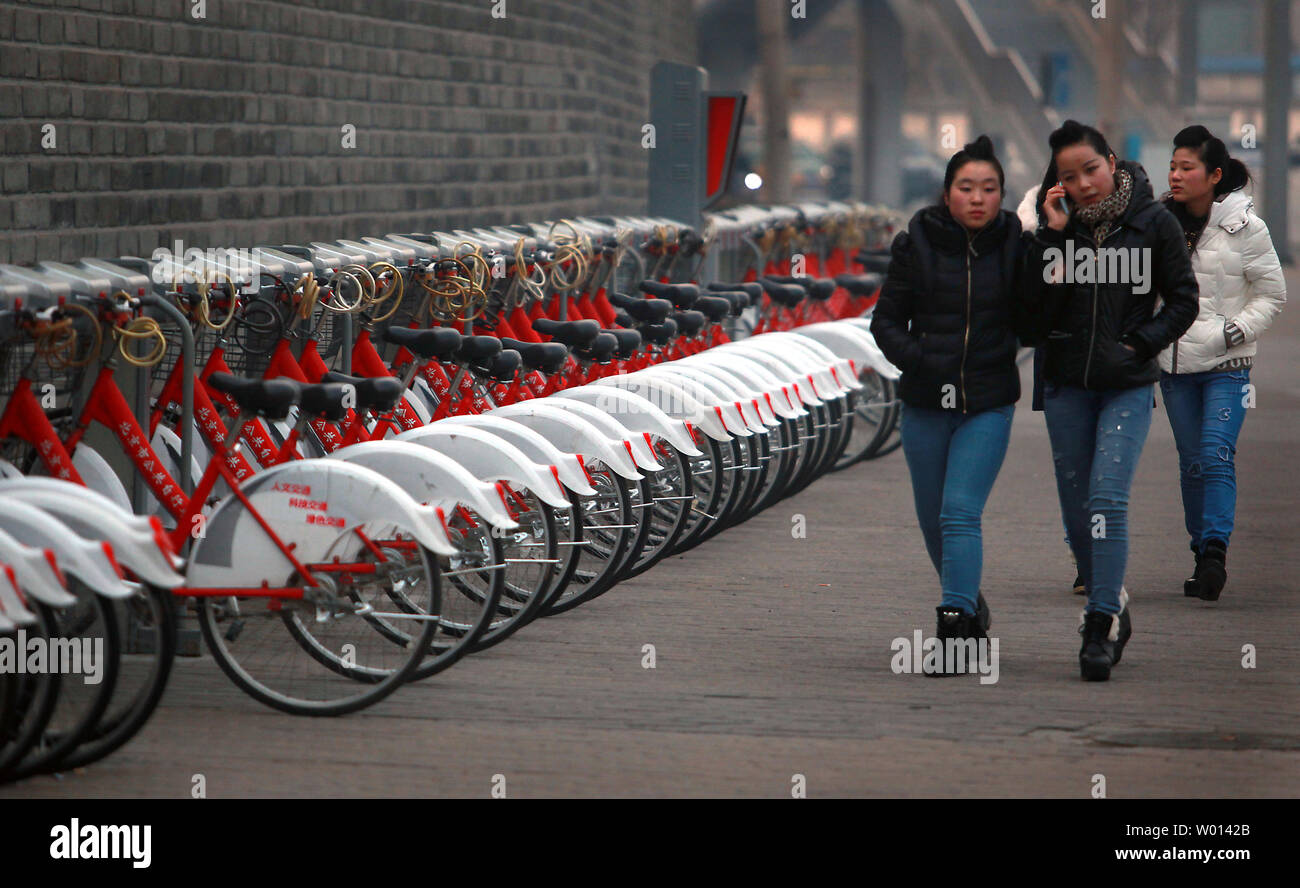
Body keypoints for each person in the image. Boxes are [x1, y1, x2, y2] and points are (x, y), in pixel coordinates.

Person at [1020, 120, 1199, 681]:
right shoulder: (1055, 233)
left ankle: (1098, 623)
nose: (1084, 184)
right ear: (1058, 184)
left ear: (1112, 163)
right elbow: (1031, 321)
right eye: (1070, 177)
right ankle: (1112, 596)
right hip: (1066, 384)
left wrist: (1139, 344)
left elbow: (1183, 300)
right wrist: (1051, 238)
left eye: (1091, 169)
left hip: (1126, 384)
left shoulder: (1155, 224)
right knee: (1078, 516)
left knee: (1106, 500)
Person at [871, 135, 1029, 676]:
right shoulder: (916, 241)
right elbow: (885, 321)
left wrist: (1052, 241)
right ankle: (969, 599)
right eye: (967, 188)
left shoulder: (1017, 243)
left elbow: (1035, 320)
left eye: (989, 188)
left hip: (987, 401)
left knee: (961, 511)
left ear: (1002, 195)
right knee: (933, 521)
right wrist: (920, 360)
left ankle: (956, 629)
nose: (978, 198)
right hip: (924, 404)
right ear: (947, 193)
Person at [1160, 125, 1286, 601]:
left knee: (1215, 453)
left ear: (1213, 175)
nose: (1175, 175)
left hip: (1227, 367)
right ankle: (1200, 553)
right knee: (1192, 463)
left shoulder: (1246, 228)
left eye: (1186, 167)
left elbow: (1273, 294)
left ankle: (1215, 550)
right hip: (1174, 368)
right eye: (1172, 166)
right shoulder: (1157, 225)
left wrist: (1231, 333)